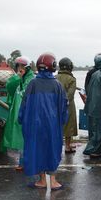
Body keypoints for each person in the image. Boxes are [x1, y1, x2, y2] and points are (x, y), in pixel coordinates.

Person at [18, 53, 68, 190]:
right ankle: (52, 181)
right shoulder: (58, 86)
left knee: (38, 149)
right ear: (53, 66)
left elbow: (24, 104)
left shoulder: (32, 84)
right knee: (53, 150)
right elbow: (64, 108)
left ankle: (41, 181)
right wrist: (63, 121)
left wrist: (21, 119)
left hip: (34, 125)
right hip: (52, 126)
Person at [0, 56, 35, 170]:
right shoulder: (17, 78)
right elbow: (9, 88)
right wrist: (18, 77)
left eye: (23, 66)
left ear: (27, 67)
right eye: (18, 66)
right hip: (18, 114)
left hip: (28, 114)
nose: (20, 68)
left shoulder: (31, 80)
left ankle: (28, 162)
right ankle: (22, 162)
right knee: (20, 137)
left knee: (27, 137)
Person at [56, 57, 78, 154]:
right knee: (69, 126)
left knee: (57, 125)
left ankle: (55, 146)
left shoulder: (54, 78)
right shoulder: (72, 79)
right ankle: (67, 147)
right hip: (68, 105)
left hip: (55, 105)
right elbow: (70, 94)